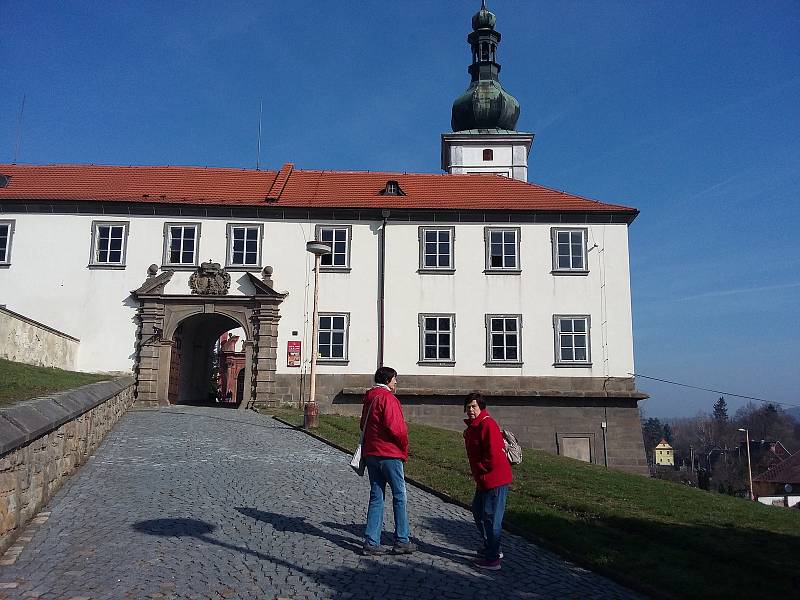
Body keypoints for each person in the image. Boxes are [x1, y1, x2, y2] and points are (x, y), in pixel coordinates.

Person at [360, 366, 415, 555]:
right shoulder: (388, 398)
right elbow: (397, 428)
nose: (396, 383)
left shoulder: (370, 397)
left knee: (376, 496)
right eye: (394, 379)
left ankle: (371, 541)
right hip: (390, 454)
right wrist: (404, 446)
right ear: (388, 381)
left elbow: (362, 425)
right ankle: (402, 539)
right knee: (399, 496)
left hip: (372, 453)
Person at [463, 391, 512, 571]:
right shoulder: (475, 426)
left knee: (491, 518)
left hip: (494, 479)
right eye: (468, 407)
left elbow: (493, 455)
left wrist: (482, 468)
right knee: (478, 512)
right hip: (483, 480)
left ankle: (493, 558)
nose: (470, 410)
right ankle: (490, 546)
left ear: (481, 407)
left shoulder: (488, 424)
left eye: (474, 406)